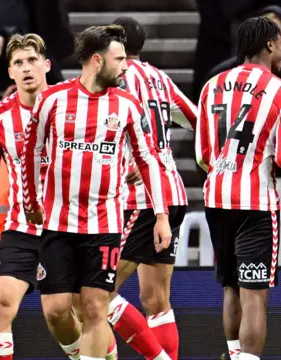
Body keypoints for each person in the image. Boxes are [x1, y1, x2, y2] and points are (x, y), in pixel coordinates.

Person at [20, 25, 173, 360]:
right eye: (119, 59)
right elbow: (31, 153)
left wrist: (161, 215)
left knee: (94, 307)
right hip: (58, 224)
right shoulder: (53, 100)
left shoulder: (128, 105)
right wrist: (31, 203)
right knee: (56, 311)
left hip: (103, 226)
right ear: (96, 60)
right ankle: (80, 354)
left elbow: (148, 160)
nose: (126, 66)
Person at [0, 33, 117, 360]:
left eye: (32, 60)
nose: (26, 68)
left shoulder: (76, 104)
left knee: (73, 312)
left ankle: (96, 353)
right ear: (9, 72)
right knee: (0, 303)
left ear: (47, 65)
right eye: (18, 63)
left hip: (70, 227)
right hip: (20, 230)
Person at [195, 16, 281, 360]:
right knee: (255, 293)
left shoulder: (212, 85)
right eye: (279, 42)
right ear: (269, 45)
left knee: (230, 286)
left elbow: (203, 157)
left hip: (217, 197)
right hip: (256, 202)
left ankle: (233, 354)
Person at [104, 16, 198, 360]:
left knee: (97, 292)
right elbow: (197, 119)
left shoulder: (116, 78)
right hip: (172, 191)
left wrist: (137, 161)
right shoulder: (160, 78)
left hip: (141, 198)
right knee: (156, 300)